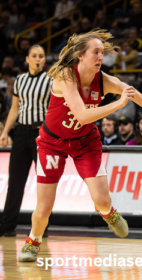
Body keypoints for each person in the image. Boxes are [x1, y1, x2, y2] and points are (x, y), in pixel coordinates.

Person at [18, 30, 142, 262]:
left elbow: (132, 92)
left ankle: (108, 213)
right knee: (44, 207)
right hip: (52, 143)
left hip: (85, 141)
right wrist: (118, 104)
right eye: (95, 52)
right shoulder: (65, 76)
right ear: (80, 55)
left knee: (102, 200)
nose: (100, 57)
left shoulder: (104, 80)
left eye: (102, 52)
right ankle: (33, 241)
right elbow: (82, 115)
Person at [0, 45, 51, 237]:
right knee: (15, 181)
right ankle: (7, 225)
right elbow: (14, 109)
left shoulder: (50, 80)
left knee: (44, 183)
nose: (38, 59)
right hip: (21, 132)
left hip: (42, 134)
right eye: (34, 56)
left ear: (44, 60)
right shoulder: (20, 80)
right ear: (27, 59)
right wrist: (5, 132)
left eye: (41, 56)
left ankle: (42, 225)